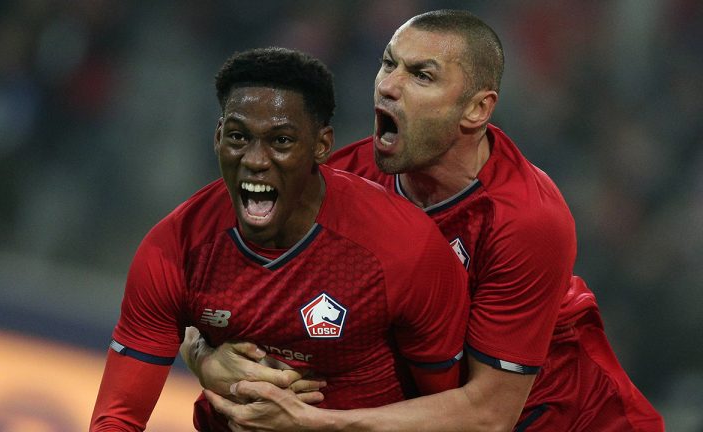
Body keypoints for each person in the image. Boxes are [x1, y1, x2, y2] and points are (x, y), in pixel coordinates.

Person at [187, 10, 665, 432]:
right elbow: (220, 296)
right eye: (388, 63)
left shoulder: (525, 220)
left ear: (477, 108)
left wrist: (314, 423)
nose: (389, 85)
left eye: (421, 75)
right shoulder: (343, 180)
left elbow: (488, 414)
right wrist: (208, 359)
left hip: (570, 418)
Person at [89, 47, 470, 431]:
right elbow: (116, 418)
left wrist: (314, 424)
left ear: (321, 146)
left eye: (281, 141)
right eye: (238, 137)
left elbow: (454, 416)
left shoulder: (402, 248)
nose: (255, 159)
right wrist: (202, 355)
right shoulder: (175, 248)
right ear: (218, 137)